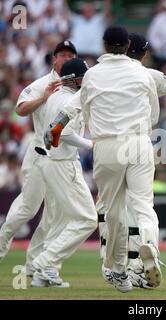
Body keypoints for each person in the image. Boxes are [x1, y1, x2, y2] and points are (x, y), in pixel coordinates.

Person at [98, 32, 166, 289]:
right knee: (142, 207)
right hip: (140, 142)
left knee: (112, 210)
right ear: (143, 53)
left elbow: (77, 106)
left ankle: (114, 266)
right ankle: (149, 248)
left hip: (107, 144)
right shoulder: (147, 74)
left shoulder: (99, 73)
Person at [0, 41, 77, 274]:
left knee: (53, 213)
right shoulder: (42, 83)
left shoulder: (77, 86)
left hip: (62, 156)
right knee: (28, 206)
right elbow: (20, 109)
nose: (66, 58)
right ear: (54, 59)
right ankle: (2, 241)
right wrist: (43, 97)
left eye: (70, 55)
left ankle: (36, 265)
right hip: (39, 152)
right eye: (62, 55)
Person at [31, 58, 97, 288]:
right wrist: (91, 145)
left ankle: (45, 273)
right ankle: (44, 261)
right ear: (73, 79)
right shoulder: (68, 99)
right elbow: (64, 132)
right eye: (84, 76)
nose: (87, 80)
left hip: (52, 162)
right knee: (87, 219)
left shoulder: (57, 96)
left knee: (60, 220)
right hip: (62, 163)